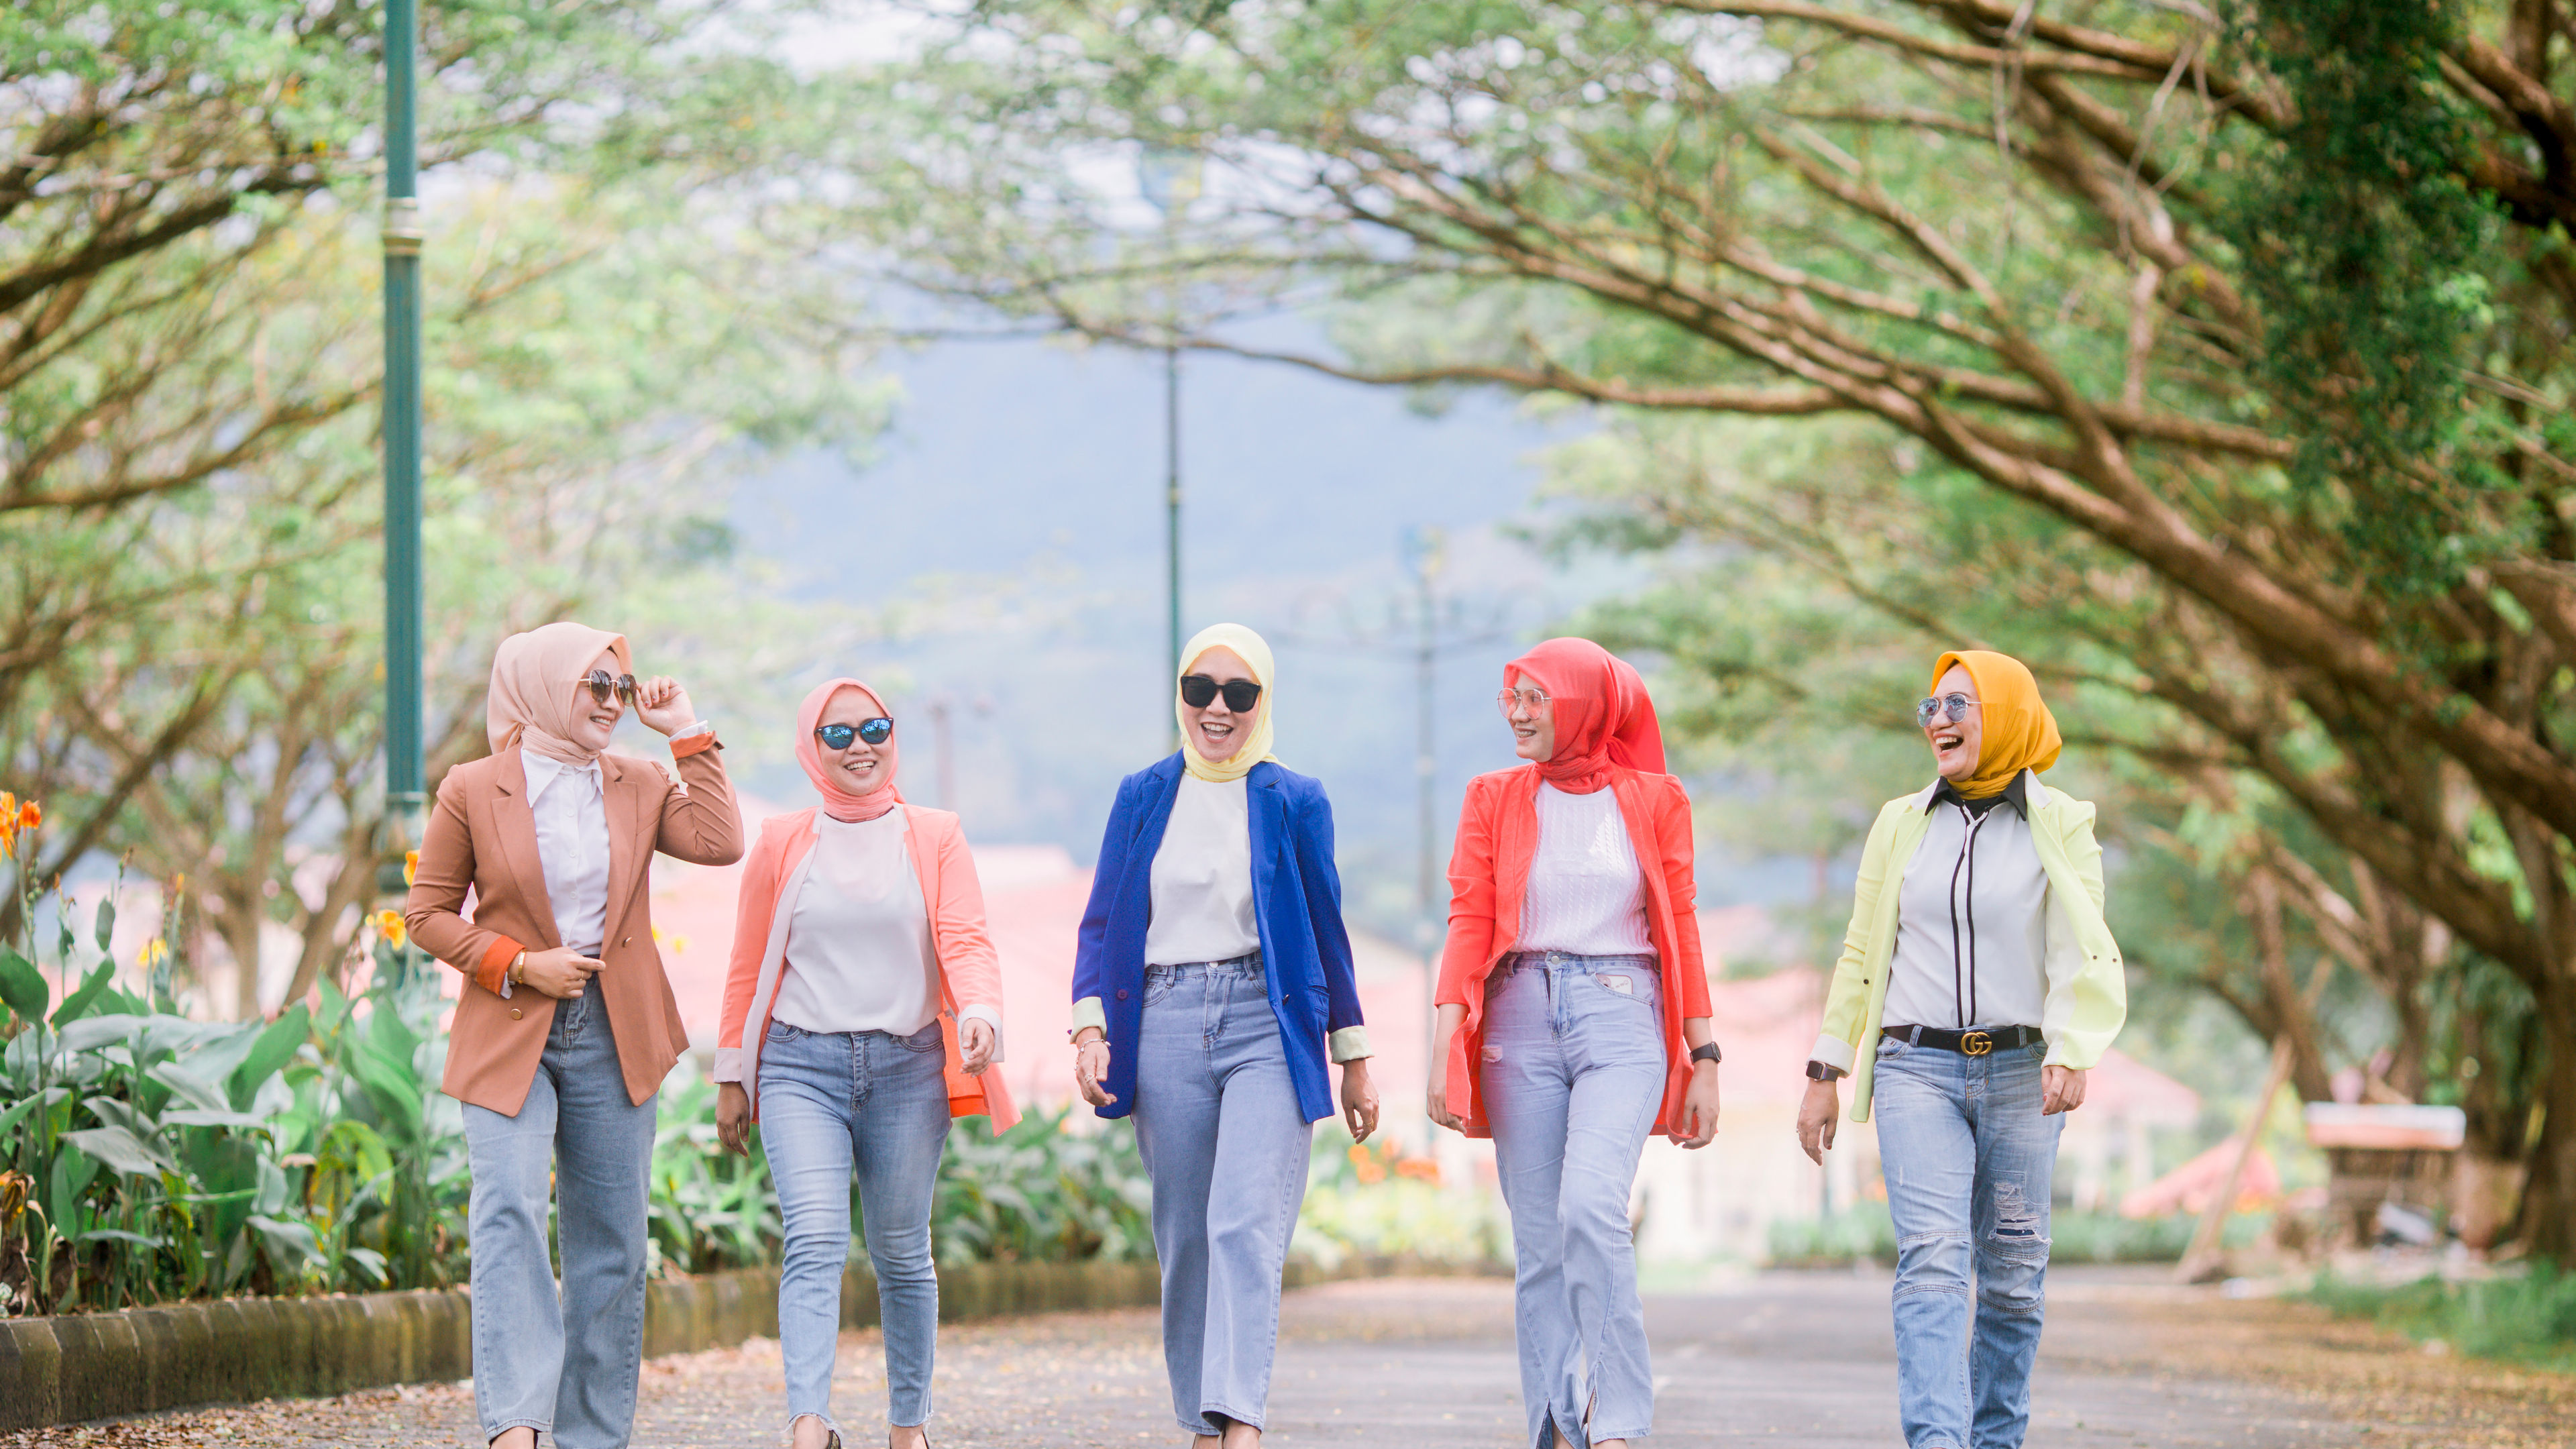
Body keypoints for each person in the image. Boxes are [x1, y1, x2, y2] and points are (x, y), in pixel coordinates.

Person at [405, 622, 743, 1449]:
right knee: (509, 1212)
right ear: (542, 686)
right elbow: (426, 915)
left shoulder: (637, 780)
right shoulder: (473, 787)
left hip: (616, 1029)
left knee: (613, 1242)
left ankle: (591, 1436)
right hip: (510, 1022)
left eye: (620, 689)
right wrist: (520, 964)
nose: (612, 704)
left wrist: (687, 730)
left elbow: (721, 841)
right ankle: (517, 1427)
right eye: (595, 685)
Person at [1796, 649, 2127, 1449]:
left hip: (2023, 1071)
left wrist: (2075, 1047)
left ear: (2008, 714)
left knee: (2013, 1278)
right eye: (1931, 707)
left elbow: (2082, 947)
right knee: (1935, 1262)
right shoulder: (1899, 823)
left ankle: (1995, 1440)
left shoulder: (2064, 823)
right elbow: (1861, 952)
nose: (1938, 720)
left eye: (1959, 705)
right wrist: (1826, 1068)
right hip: (1918, 1067)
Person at [1067, 623, 1379, 1449]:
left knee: (1243, 1220)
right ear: (1179, 694)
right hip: (1162, 1018)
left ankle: (1240, 1420)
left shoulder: (1295, 799)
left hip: (1265, 1023)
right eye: (1200, 688)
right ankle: (1201, 1421)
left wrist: (1353, 1056)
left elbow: (1325, 926)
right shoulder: (1142, 794)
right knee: (1185, 1233)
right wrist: (1089, 1028)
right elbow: (1101, 922)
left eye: (1239, 694)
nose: (1216, 707)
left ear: (1263, 704)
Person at [1427, 637, 1721, 1449]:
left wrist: (1706, 1055)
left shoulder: (1656, 799)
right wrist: (1445, 1038)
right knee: (1539, 1243)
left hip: (1623, 1011)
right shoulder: (1491, 796)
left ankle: (1618, 1416)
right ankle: (1556, 1424)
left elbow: (1682, 928)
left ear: (1585, 706)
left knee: (1591, 1207)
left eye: (1535, 699)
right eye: (1510, 698)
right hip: (1517, 1015)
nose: (1517, 715)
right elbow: (1469, 916)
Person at [713, 677, 1014, 1449]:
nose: (861, 747)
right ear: (812, 749)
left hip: (908, 1069)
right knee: (813, 1239)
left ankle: (907, 1426)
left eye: (874, 728)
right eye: (838, 734)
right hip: (798, 1067)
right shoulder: (783, 840)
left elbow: (967, 938)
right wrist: (731, 1074)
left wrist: (980, 1013)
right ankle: (807, 1424)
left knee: (902, 1253)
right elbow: (748, 965)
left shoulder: (935, 833)